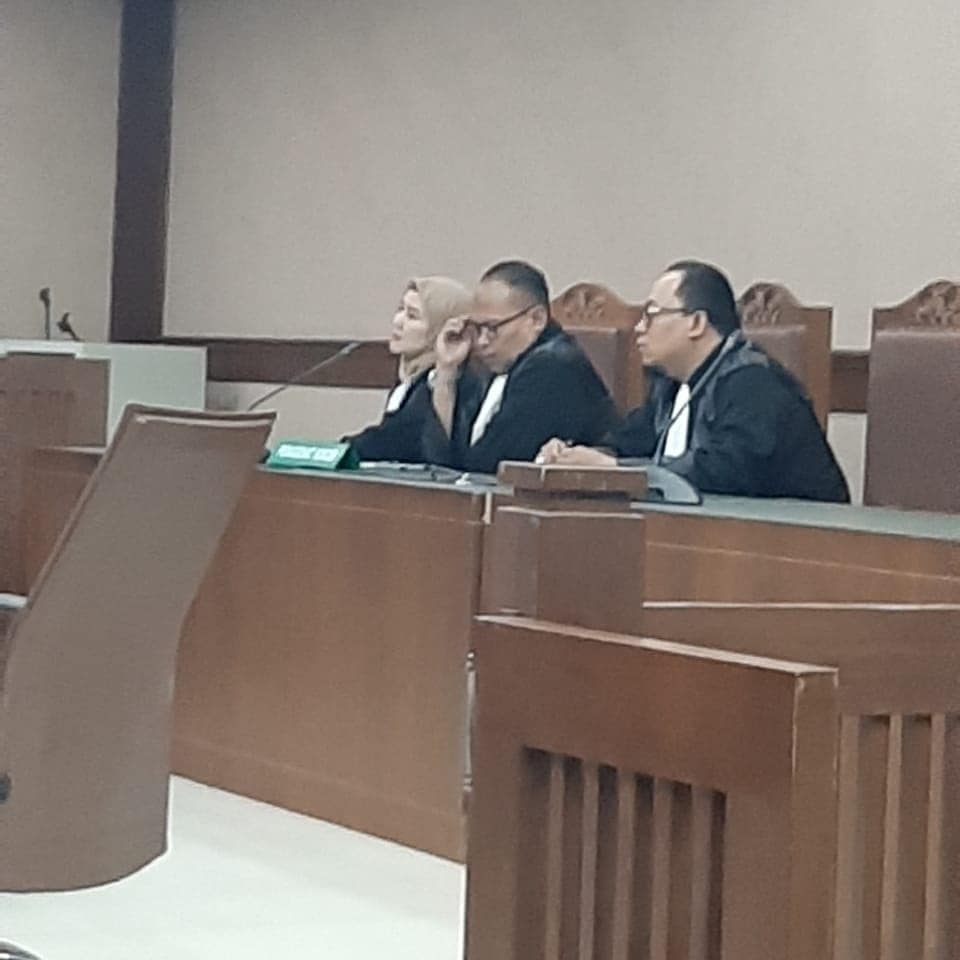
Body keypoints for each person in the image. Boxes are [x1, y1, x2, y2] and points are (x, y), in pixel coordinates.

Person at [538, 260, 850, 502]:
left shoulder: (753, 382)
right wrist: (579, 456)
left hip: (799, 543)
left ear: (697, 322)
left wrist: (616, 470)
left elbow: (723, 473)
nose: (639, 328)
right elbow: (629, 441)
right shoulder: (671, 385)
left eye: (652, 315)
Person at [421, 260, 617, 474]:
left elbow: (488, 465)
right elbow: (438, 459)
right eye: (476, 328)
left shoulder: (553, 366)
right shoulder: (495, 365)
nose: (481, 341)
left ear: (536, 319)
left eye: (492, 328)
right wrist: (446, 374)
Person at [345, 276, 472, 462]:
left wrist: (342, 450)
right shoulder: (408, 378)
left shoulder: (445, 382)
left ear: (441, 328)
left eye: (412, 316)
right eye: (400, 309)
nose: (397, 321)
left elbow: (396, 438)